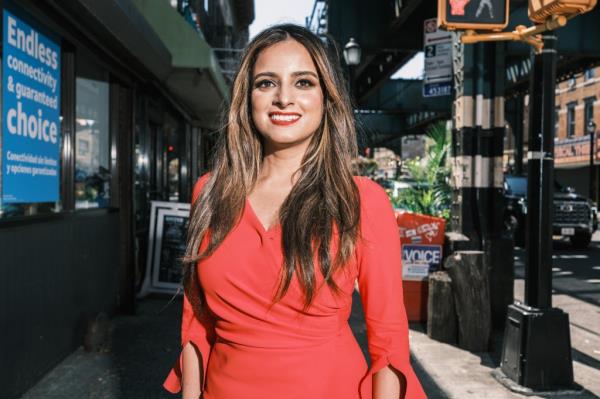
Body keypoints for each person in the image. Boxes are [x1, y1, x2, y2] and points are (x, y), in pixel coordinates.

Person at [163, 24, 426, 399]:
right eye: (266, 83)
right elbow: (195, 322)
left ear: (326, 97)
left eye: (303, 82)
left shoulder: (363, 200)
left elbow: (388, 342)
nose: (284, 98)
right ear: (247, 97)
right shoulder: (209, 191)